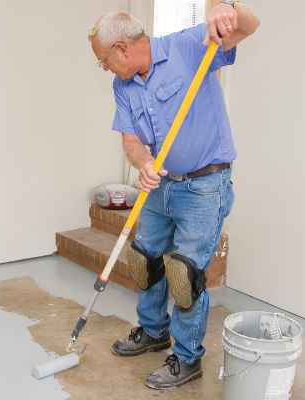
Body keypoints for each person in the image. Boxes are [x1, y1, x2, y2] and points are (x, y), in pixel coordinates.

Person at [88, 1, 260, 390]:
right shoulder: (123, 85)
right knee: (145, 259)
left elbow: (250, 26)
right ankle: (153, 331)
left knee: (184, 273)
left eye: (103, 61)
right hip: (160, 185)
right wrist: (143, 163)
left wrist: (228, 11)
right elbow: (130, 140)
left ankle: (186, 358)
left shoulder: (189, 46)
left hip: (204, 185)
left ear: (121, 49)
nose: (105, 69)